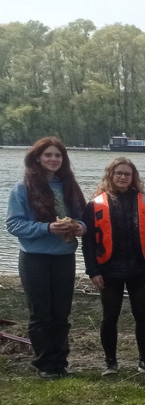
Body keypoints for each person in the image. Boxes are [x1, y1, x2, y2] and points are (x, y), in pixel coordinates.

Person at [6, 137, 86, 378]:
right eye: (48, 155)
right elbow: (14, 224)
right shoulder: (23, 188)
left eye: (58, 155)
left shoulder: (69, 186)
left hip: (64, 258)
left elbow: (84, 218)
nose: (53, 159)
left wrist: (80, 227)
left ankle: (60, 363)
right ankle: (45, 365)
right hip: (35, 259)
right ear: (37, 158)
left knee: (61, 313)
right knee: (41, 313)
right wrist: (47, 228)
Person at [82, 157, 145, 375]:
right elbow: (88, 243)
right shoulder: (95, 203)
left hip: (140, 269)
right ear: (110, 175)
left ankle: (144, 361)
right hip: (109, 270)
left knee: (142, 314)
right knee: (110, 316)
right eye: (118, 173)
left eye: (127, 174)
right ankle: (110, 363)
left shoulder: (144, 202)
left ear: (133, 177)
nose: (122, 177)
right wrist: (93, 271)